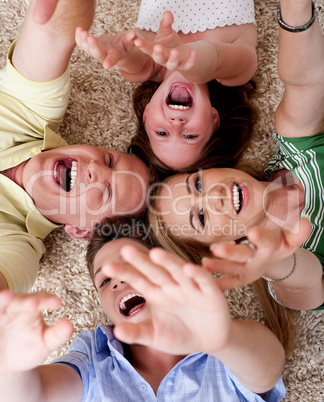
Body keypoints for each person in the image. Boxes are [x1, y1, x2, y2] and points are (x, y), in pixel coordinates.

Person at [147, 0, 324, 311]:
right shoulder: (282, 275)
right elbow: (309, 283)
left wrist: (295, 11)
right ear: (220, 250)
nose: (213, 196)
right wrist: (275, 260)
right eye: (201, 217)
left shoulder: (295, 150)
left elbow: (305, 82)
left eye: (198, 185)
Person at [0, 232, 286, 401]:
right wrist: (11, 367)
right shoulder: (93, 358)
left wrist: (221, 340)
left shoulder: (223, 348)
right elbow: (38, 395)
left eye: (130, 266)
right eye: (104, 280)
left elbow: (268, 370)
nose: (117, 282)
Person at [0, 0, 153, 293]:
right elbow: (55, 33)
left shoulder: (19, 245)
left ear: (81, 230)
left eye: (107, 192)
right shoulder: (32, 112)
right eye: (109, 160)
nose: (95, 169)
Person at [76, 2, 258, 172]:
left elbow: (132, 57)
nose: (176, 125)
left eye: (162, 133)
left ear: (146, 115)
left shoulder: (146, 64)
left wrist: (119, 50)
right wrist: (189, 62)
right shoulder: (238, 73)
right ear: (213, 119)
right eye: (190, 136)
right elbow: (215, 58)